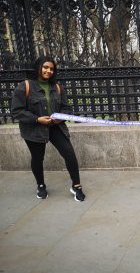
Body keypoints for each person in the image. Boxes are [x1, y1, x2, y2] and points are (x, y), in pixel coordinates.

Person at [11, 56, 86, 202]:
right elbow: (16, 111)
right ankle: (41, 185)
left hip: (55, 127)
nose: (48, 71)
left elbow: (66, 108)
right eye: (45, 67)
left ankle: (76, 185)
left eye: (51, 69)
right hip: (34, 129)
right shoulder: (25, 86)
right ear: (38, 67)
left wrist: (61, 117)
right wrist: (37, 119)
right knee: (38, 158)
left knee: (69, 153)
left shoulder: (57, 87)